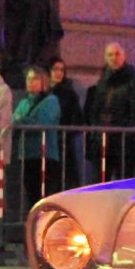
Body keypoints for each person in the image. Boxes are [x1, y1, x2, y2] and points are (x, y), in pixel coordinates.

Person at [82, 41, 135, 181]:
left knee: (124, 183)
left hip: (124, 143)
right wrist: (95, 132)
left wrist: (126, 132)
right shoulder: (102, 82)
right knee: (100, 183)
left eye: (117, 54)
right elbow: (95, 110)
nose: (114, 58)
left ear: (124, 56)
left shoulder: (133, 82)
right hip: (102, 141)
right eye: (110, 55)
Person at [12, 65, 62, 210]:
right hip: (26, 154)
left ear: (43, 81)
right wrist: (23, 121)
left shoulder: (51, 101)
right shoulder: (24, 102)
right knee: (31, 195)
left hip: (45, 154)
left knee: (44, 196)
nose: (30, 82)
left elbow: (42, 123)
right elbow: (14, 120)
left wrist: (22, 121)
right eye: (28, 78)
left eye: (34, 78)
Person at [47, 57, 84, 190]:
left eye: (62, 70)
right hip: (45, 143)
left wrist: (64, 134)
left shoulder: (69, 94)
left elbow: (78, 120)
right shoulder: (43, 91)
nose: (59, 73)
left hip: (63, 145)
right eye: (55, 69)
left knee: (64, 181)